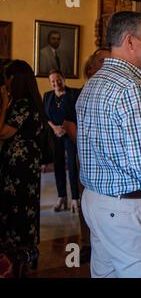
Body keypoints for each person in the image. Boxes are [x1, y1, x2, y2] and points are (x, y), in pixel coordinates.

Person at [76, 11, 141, 278]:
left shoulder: (92, 84)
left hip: (95, 202)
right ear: (130, 41)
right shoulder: (132, 88)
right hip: (125, 209)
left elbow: (106, 146)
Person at [62, 47, 111, 264]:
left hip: (110, 163)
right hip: (88, 160)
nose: (107, 65)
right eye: (102, 61)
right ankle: (88, 244)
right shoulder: (80, 93)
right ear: (91, 68)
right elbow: (69, 124)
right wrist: (89, 146)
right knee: (87, 202)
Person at [0, 60, 45, 251]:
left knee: (19, 203)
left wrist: (3, 105)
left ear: (14, 79)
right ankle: (24, 246)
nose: (5, 83)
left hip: (20, 161)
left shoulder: (22, 104)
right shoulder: (30, 101)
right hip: (27, 159)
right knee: (25, 202)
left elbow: (3, 132)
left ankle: (20, 248)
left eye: (7, 78)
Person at [43, 70, 80, 213]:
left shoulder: (73, 94)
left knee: (72, 165)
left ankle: (75, 198)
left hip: (69, 133)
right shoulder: (47, 96)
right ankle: (62, 197)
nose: (56, 83)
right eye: (52, 81)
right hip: (55, 134)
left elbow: (78, 114)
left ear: (63, 79)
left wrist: (65, 127)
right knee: (58, 164)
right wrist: (54, 128)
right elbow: (45, 116)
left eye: (58, 80)